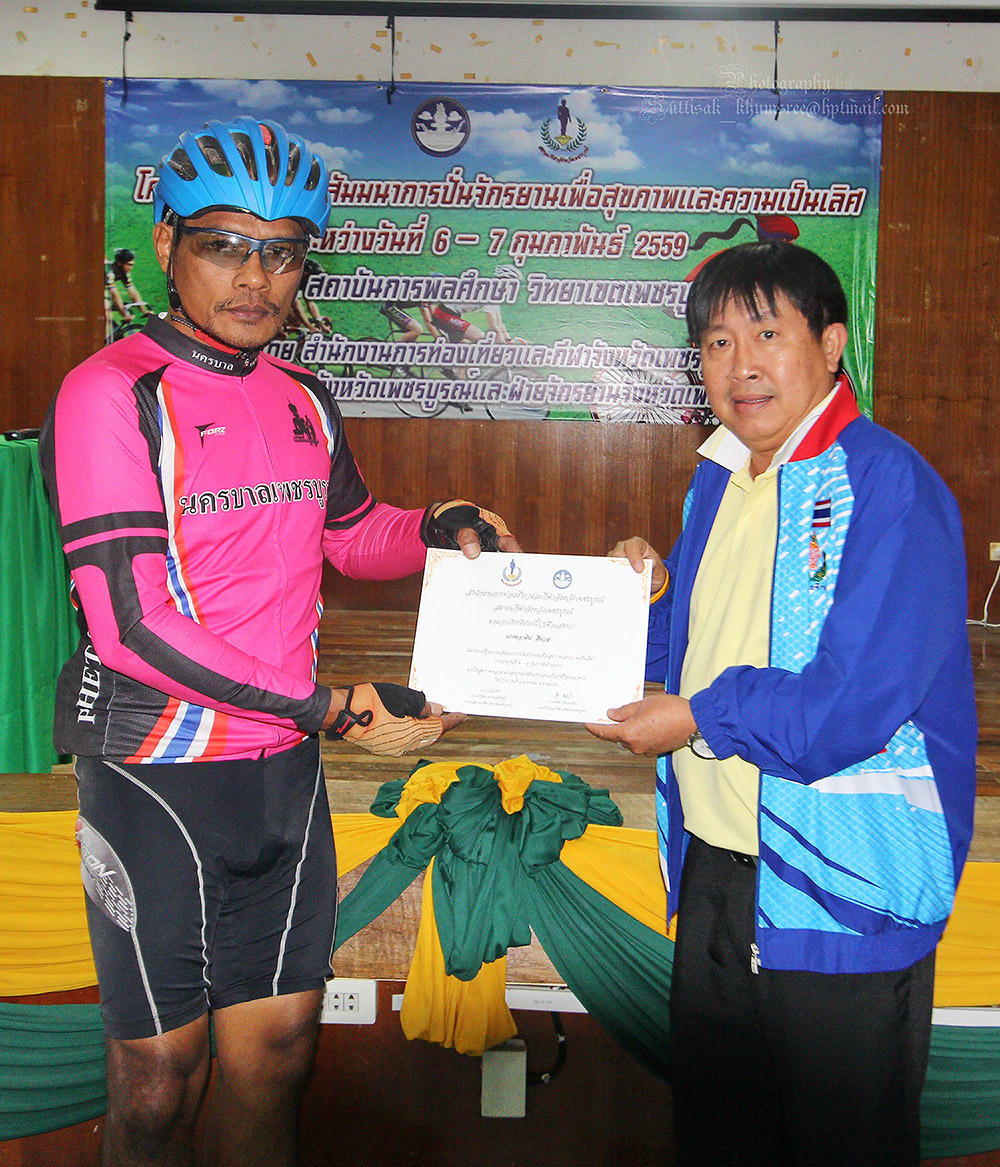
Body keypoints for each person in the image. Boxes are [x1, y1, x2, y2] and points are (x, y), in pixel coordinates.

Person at [39, 115, 519, 1167]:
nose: (255, 277)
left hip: (281, 774)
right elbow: (132, 625)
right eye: (224, 244)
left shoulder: (303, 394)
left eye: (283, 251)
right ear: (166, 243)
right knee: (158, 1082)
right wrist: (327, 707)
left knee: (278, 1056)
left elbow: (351, 531)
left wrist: (433, 528)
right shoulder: (110, 394)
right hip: (156, 770)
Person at [586, 241, 976, 1166]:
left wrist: (697, 718)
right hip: (718, 867)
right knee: (721, 1137)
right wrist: (643, 602)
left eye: (767, 333)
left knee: (843, 1145)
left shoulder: (885, 482)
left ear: (831, 345)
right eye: (717, 342)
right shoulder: (721, 474)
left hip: (845, 884)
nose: (741, 365)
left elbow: (850, 707)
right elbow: (700, 651)